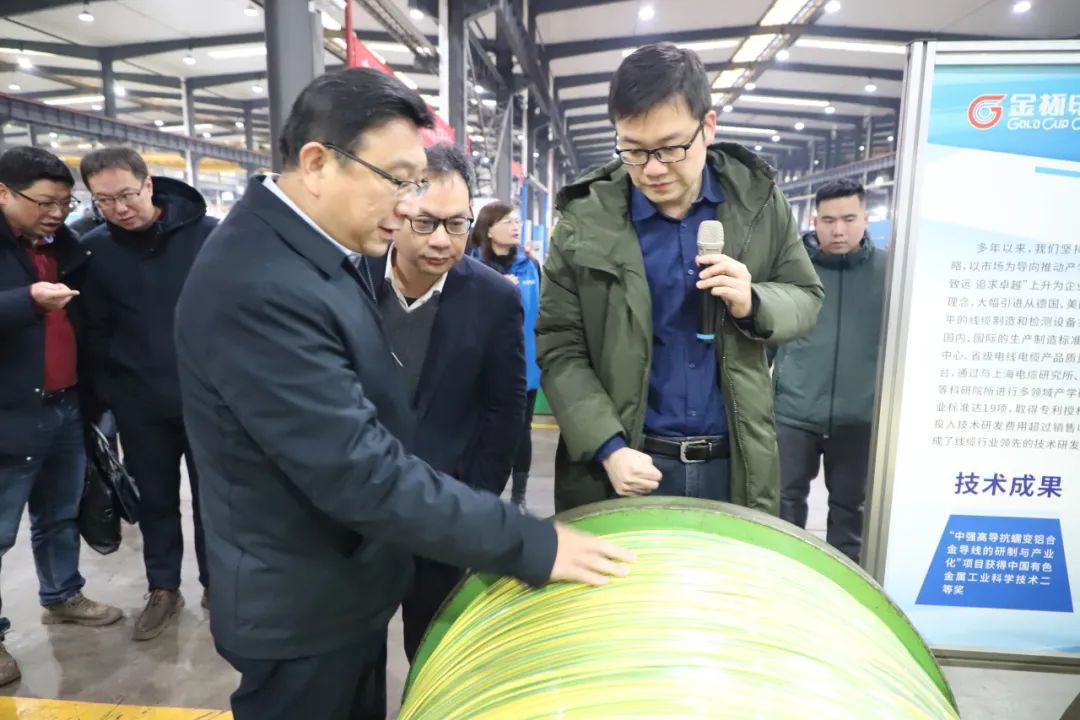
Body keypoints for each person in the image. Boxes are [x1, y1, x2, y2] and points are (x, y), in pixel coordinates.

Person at [174, 68, 631, 720]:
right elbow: (357, 471)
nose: (407, 208)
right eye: (397, 180)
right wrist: (533, 544)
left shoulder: (313, 254)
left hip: (346, 583)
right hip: (300, 606)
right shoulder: (261, 283)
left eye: (416, 185)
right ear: (317, 163)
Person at [537, 43, 824, 513]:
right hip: (629, 465)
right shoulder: (583, 223)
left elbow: (806, 296)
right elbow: (559, 347)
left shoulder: (757, 203)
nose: (652, 169)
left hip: (734, 464)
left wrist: (753, 301)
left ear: (707, 127)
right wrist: (607, 446)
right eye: (633, 150)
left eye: (671, 148)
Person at [365, 144, 527, 662]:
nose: (441, 240)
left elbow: (503, 411)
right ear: (398, 214)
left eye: (457, 224)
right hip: (354, 511)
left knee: (434, 655)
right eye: (426, 223)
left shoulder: (493, 299)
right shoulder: (347, 279)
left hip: (442, 514)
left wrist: (472, 501)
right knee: (349, 661)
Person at [78, 147, 217, 640]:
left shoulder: (209, 237)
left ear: (149, 185)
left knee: (215, 499)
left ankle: (219, 585)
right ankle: (163, 587)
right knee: (155, 500)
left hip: (207, 402)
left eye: (127, 194)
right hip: (139, 403)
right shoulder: (93, 252)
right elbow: (92, 329)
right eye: (104, 200)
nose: (119, 208)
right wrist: (111, 392)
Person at [0, 147, 123, 687]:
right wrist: (27, 298)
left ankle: (62, 593)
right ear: (3, 193)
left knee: (59, 513)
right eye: (44, 202)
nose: (55, 212)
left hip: (65, 403)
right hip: (10, 411)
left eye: (64, 202)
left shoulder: (64, 245)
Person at [774, 179, 887, 562]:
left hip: (859, 418)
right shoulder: (790, 270)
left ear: (866, 219)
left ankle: (842, 586)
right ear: (814, 220)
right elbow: (765, 337)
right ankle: (782, 578)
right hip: (794, 414)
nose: (839, 230)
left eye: (849, 219)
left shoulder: (889, 273)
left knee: (850, 512)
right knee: (783, 506)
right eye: (828, 220)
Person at [472, 202, 541, 509]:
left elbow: (541, 312)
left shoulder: (530, 266)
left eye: (516, 221)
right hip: (477, 363)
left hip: (523, 365)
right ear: (488, 229)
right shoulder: (470, 264)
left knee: (520, 431)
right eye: (507, 222)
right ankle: (479, 497)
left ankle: (518, 498)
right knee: (476, 428)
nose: (515, 227)